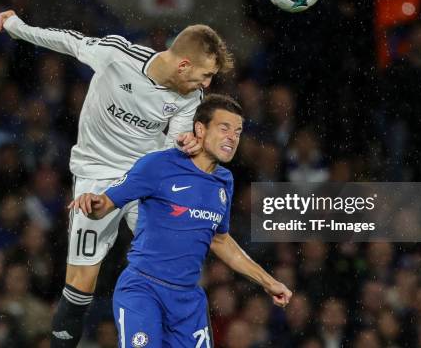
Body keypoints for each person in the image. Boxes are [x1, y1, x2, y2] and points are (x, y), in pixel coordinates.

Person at [0, 10, 234, 348]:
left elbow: (169, 152)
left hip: (143, 177)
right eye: (206, 75)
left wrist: (184, 149)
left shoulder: (190, 99)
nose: (207, 85)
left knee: (177, 270)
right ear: (183, 66)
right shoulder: (117, 55)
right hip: (95, 174)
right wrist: (18, 28)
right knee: (80, 285)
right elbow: (67, 41)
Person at [70, 94, 292, 347]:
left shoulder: (224, 181)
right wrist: (92, 203)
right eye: (224, 128)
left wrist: (269, 282)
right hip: (144, 290)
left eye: (238, 131)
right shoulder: (158, 165)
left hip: (188, 302)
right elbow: (105, 204)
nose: (233, 136)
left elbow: (220, 240)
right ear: (200, 128)